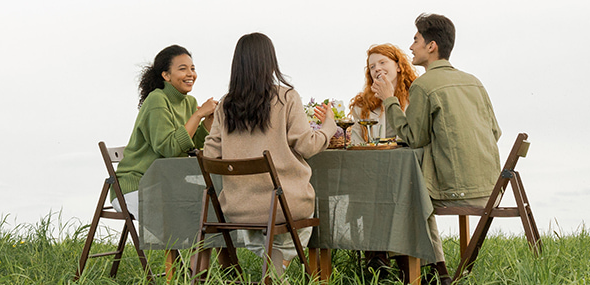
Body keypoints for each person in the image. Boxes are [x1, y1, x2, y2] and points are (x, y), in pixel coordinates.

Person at [374, 13, 501, 283]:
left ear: (431, 46)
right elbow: (495, 132)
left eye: (416, 40)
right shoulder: (474, 82)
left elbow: (412, 137)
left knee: (407, 195)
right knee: (414, 188)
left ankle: (422, 272)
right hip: (491, 188)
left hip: (458, 191)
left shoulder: (424, 85)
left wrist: (390, 100)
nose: (411, 47)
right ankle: (433, 271)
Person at [202, 32, 338, 277]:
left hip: (238, 206)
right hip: (285, 205)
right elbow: (307, 146)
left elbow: (210, 154)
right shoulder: (286, 97)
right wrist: (329, 127)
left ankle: (272, 267)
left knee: (262, 218)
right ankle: (278, 267)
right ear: (270, 61)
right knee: (299, 214)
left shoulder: (226, 104)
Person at [114, 45, 218, 216]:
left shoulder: (189, 102)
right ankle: (180, 243)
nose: (190, 74)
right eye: (183, 69)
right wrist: (198, 114)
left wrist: (208, 121)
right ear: (166, 75)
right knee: (190, 213)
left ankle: (207, 243)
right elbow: (169, 149)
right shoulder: (157, 100)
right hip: (138, 185)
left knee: (213, 203)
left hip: (167, 183)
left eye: (193, 68)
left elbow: (193, 145)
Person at [349, 43, 419, 145]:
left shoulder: (416, 97)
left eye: (382, 62)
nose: (377, 68)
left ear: (398, 66)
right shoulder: (361, 105)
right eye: (372, 67)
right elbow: (356, 143)